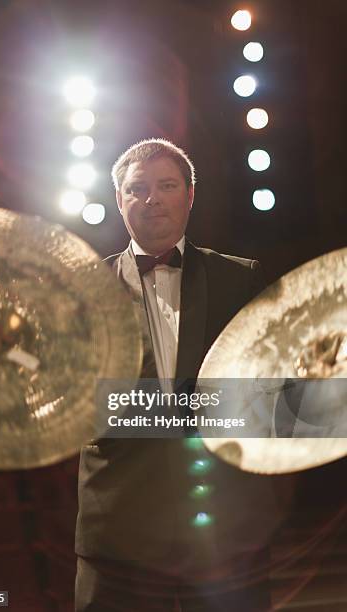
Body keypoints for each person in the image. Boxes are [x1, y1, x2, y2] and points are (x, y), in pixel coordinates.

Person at [75, 138, 283, 611]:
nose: (153, 198)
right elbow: (69, 405)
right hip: (118, 529)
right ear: (119, 201)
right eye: (138, 188)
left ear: (190, 195)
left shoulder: (242, 279)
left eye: (167, 185)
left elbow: (273, 397)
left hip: (225, 530)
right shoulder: (79, 294)